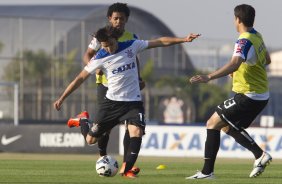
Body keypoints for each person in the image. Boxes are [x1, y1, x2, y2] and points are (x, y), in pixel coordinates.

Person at [54, 25, 200, 178]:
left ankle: (126, 170)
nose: (108, 48)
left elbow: (159, 42)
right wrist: (62, 97)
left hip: (133, 103)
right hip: (111, 104)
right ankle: (83, 119)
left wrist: (183, 39)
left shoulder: (131, 45)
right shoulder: (100, 57)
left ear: (115, 38)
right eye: (104, 46)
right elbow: (79, 79)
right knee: (90, 140)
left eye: (110, 44)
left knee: (136, 132)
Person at [186, 4, 272, 179]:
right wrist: (240, 71)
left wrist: (208, 77)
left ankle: (207, 172)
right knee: (225, 126)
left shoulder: (244, 40)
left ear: (237, 20)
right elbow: (267, 60)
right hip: (260, 95)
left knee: (211, 122)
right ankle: (259, 155)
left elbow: (234, 62)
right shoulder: (257, 36)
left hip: (249, 95)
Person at [80, 2, 144, 174]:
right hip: (105, 85)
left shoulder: (132, 37)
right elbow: (87, 55)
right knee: (105, 128)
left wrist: (138, 78)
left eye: (122, 19)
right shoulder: (101, 35)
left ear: (126, 20)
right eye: (116, 18)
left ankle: (126, 165)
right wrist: (94, 67)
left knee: (130, 125)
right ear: (110, 18)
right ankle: (103, 155)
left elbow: (134, 59)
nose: (119, 22)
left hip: (128, 89)